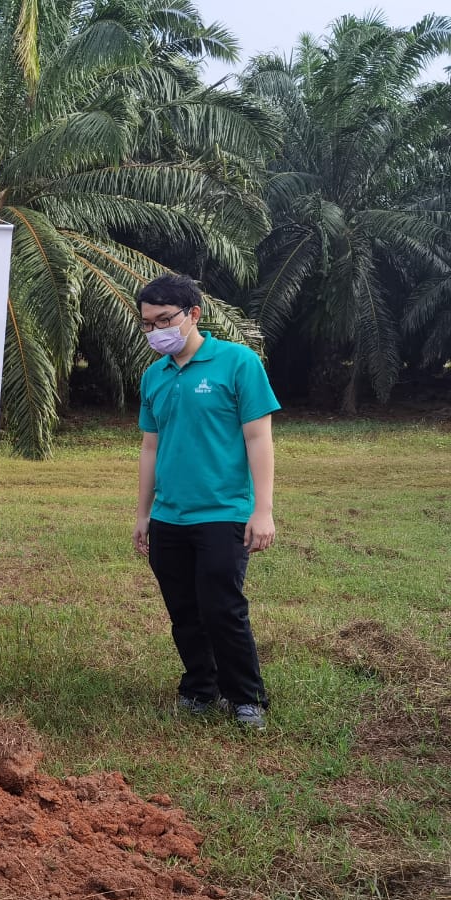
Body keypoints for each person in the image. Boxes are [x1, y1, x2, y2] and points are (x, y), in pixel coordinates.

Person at [133, 273, 279, 730]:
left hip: (224, 511)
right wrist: (143, 514)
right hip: (169, 515)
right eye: (146, 324)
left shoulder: (238, 363)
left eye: (163, 320)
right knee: (183, 610)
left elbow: (258, 438)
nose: (155, 331)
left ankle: (246, 697)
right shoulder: (153, 376)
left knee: (222, 607)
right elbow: (150, 448)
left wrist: (263, 510)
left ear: (193, 315)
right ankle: (199, 687)